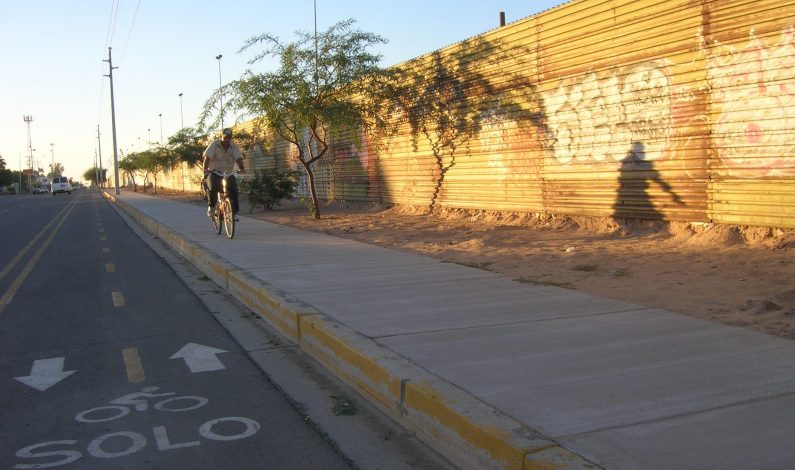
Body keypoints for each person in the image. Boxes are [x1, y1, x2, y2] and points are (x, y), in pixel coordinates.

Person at [203, 128, 245, 217]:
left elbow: (238, 158)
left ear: (231, 138)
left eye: (229, 137)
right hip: (214, 172)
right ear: (222, 136)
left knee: (234, 190)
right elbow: (207, 158)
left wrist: (241, 168)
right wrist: (205, 170)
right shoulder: (215, 144)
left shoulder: (233, 147)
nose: (227, 139)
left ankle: (234, 212)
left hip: (228, 173)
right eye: (225, 137)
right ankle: (211, 206)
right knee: (213, 186)